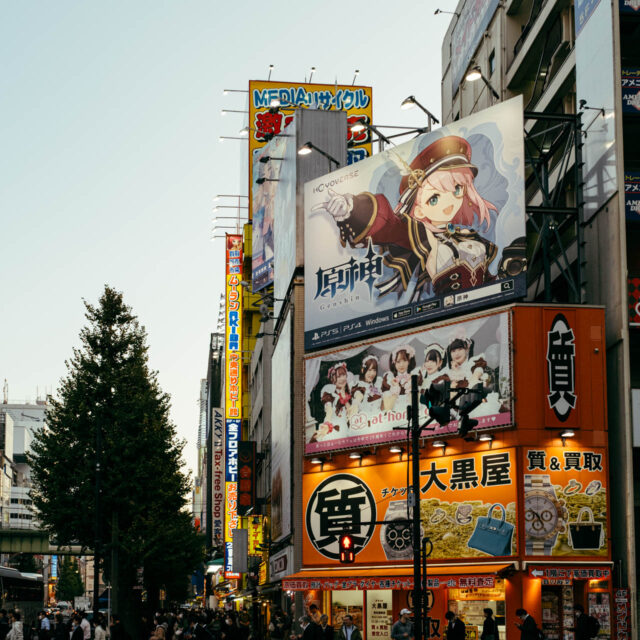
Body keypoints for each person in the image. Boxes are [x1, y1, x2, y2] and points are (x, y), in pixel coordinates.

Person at [313, 136, 524, 299]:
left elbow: (487, 285)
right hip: (440, 315)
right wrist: (351, 209)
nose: (449, 201)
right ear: (419, 209)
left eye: (457, 188)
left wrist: (507, 274)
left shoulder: (472, 238)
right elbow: (388, 223)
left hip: (482, 315)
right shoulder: (420, 234)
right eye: (434, 199)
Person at [381, 346, 416, 412]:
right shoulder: (389, 379)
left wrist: (411, 386)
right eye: (398, 361)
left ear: (409, 361)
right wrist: (395, 388)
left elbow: (416, 405)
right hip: (395, 419)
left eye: (405, 360)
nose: (401, 365)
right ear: (394, 362)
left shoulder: (414, 377)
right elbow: (387, 408)